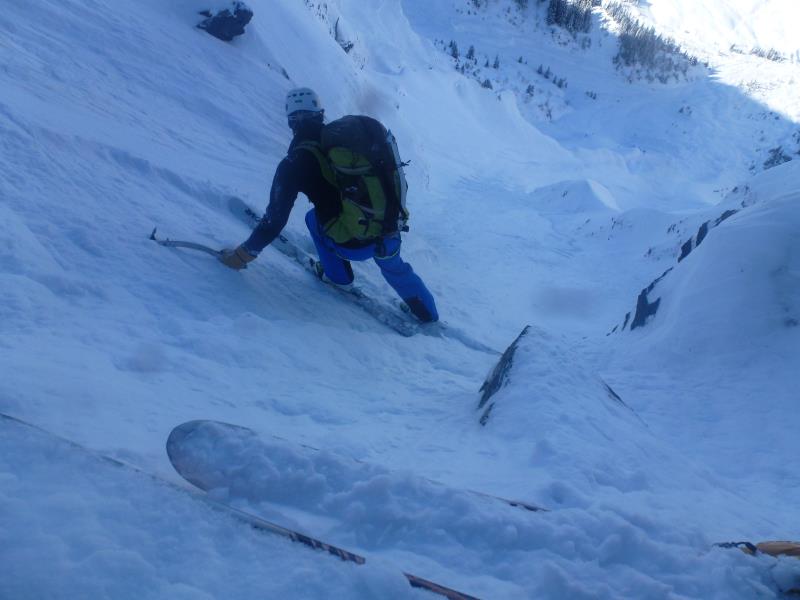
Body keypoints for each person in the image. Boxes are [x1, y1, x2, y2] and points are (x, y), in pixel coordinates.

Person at [219, 87, 439, 323]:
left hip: (354, 244)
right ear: (320, 113)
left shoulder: (294, 163)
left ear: (291, 121)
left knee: (313, 219)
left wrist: (242, 256)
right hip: (389, 231)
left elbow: (275, 220)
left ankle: (338, 278)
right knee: (394, 266)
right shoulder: (343, 145)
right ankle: (429, 315)